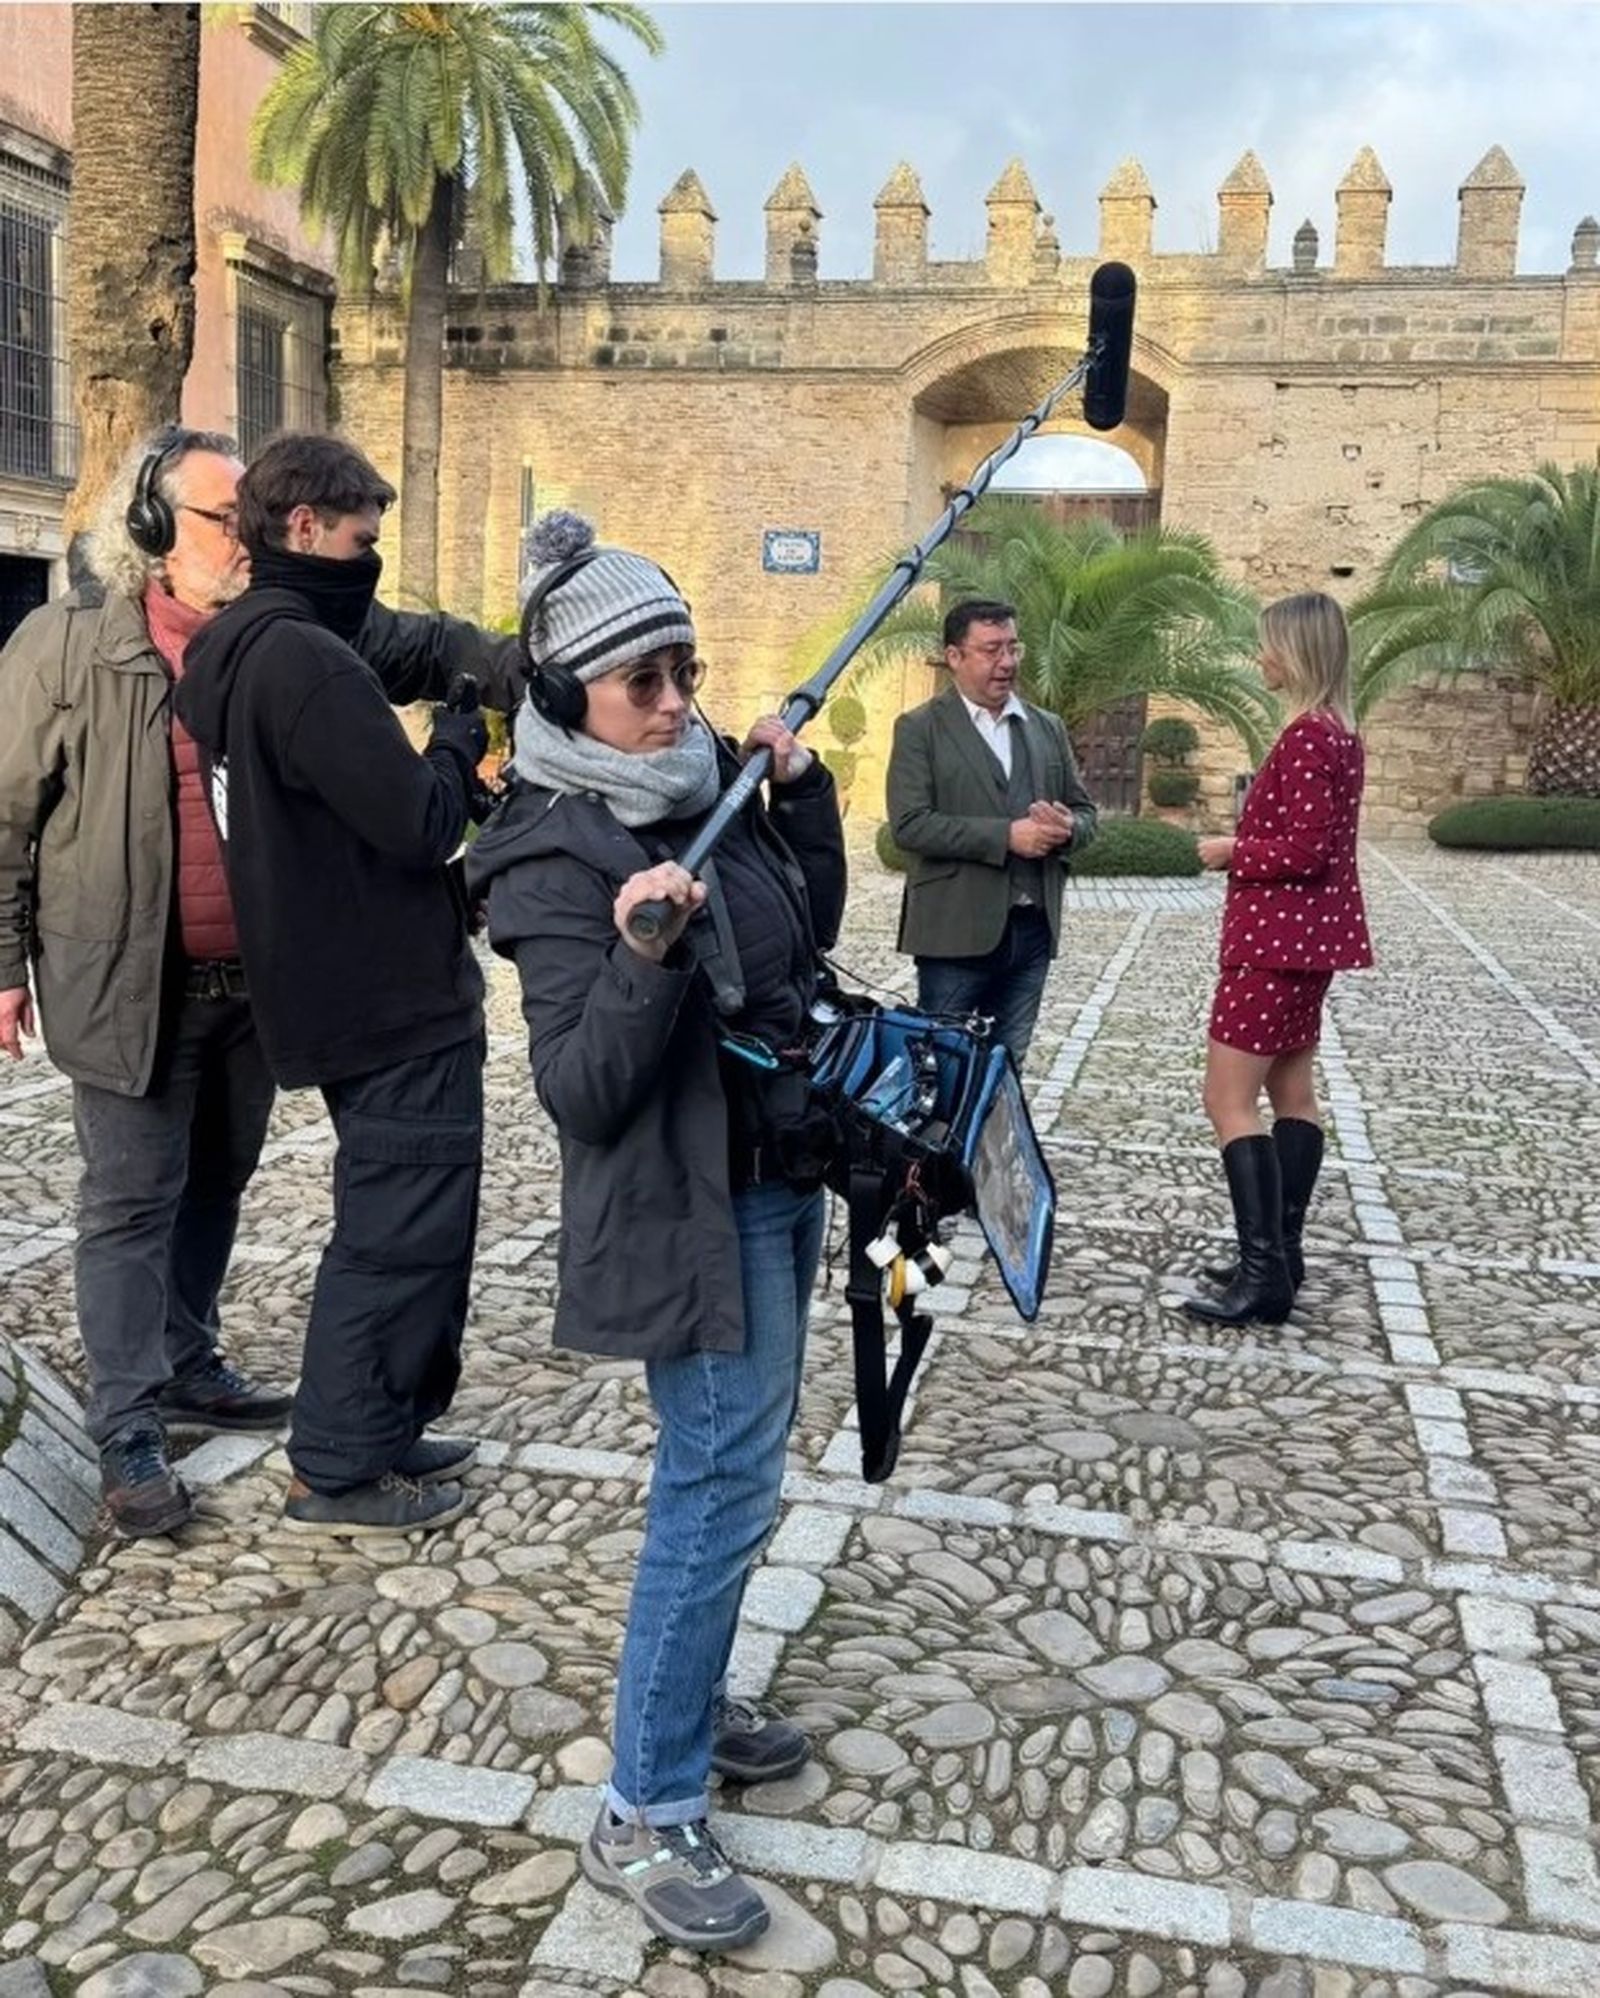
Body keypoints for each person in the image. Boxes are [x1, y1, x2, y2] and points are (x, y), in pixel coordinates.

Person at [0, 425, 521, 1539]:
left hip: (254, 982)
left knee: (216, 1186)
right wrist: (4, 964)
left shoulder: (291, 627)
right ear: (153, 528)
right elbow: (5, 816)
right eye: (219, 517)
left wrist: (536, 665)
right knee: (129, 1200)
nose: (244, 537)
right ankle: (128, 1426)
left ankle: (188, 1358)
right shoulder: (66, 646)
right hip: (126, 982)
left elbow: (427, 644)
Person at [467, 511, 845, 1953]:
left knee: (747, 1464)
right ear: (569, 695)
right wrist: (640, 951)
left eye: (686, 669)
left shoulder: (705, 787)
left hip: (778, 1171)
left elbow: (803, 932)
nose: (679, 702)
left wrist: (798, 800)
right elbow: (581, 1090)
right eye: (645, 681)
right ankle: (644, 1802)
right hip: (690, 1205)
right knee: (717, 1479)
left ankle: (687, 1698)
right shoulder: (546, 856)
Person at [175, 432, 497, 1536]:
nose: (371, 560)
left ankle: (386, 1422)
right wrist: (456, 743)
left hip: (343, 987)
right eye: (362, 539)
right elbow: (419, 824)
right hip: (386, 1000)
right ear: (303, 527)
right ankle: (339, 1464)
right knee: (395, 1233)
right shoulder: (302, 661)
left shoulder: (238, 649)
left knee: (411, 1222)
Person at [1187, 591, 1373, 1326]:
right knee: (1293, 1093)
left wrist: (1232, 850)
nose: (1259, 655)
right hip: (1310, 944)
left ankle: (1264, 1273)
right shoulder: (1341, 735)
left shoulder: (1305, 739)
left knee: (1227, 1100)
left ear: (1296, 652)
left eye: (1267, 643)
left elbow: (1306, 849)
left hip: (1272, 946)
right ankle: (1282, 1255)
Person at [885, 597, 1097, 1062]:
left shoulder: (1047, 727)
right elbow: (909, 825)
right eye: (991, 650)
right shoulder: (919, 728)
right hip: (953, 933)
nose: (1007, 662)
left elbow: (1086, 812)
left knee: (1007, 1064)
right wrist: (1006, 837)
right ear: (954, 656)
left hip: (1033, 930)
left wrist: (1068, 828)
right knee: (943, 1065)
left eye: (1013, 648)